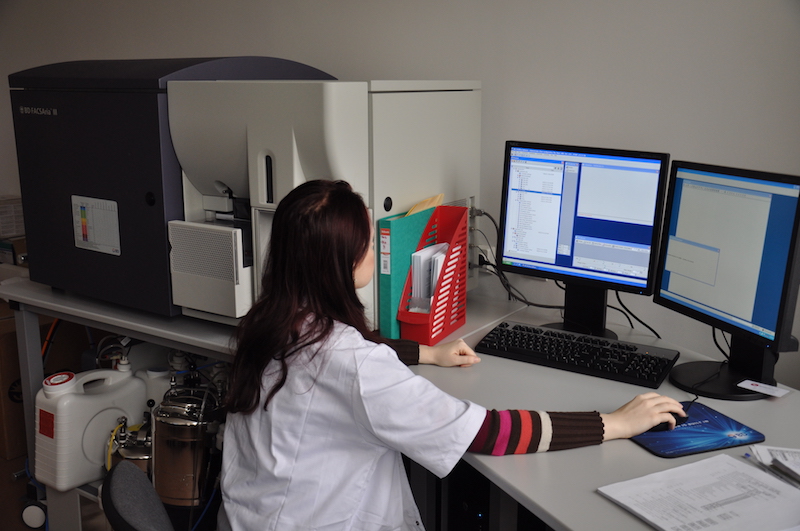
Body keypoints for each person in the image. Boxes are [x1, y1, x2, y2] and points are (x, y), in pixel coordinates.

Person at [219, 180, 684, 531]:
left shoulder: (267, 324)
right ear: (343, 261)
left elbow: (345, 353)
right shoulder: (354, 364)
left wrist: (426, 352)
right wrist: (615, 423)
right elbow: (486, 432)